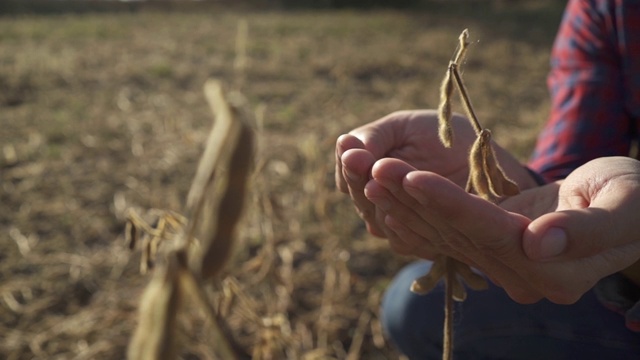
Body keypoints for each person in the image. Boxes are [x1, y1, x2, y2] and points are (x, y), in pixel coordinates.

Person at [335, 0, 640, 358]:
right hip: (627, 281)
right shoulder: (609, 7)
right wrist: (538, 189)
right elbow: (576, 155)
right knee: (418, 308)